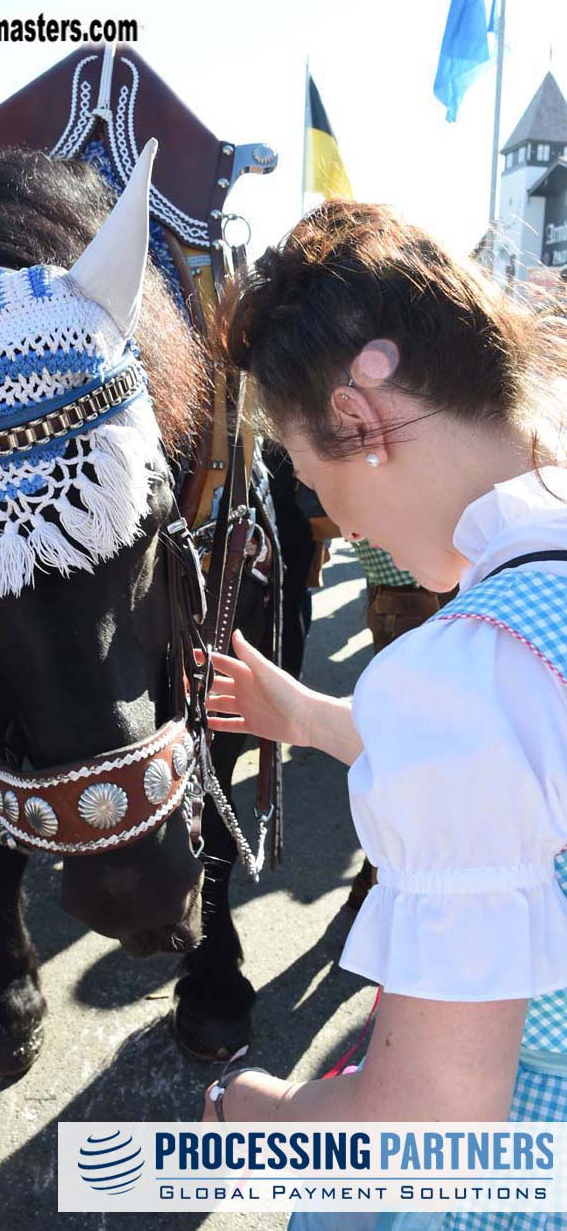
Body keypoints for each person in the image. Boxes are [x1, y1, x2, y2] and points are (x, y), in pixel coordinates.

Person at [199, 200, 567, 1171]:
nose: (335, 520)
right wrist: (316, 718)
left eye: (310, 476)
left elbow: (435, 1118)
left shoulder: (459, 680)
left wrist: (254, 1109)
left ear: (359, 421)